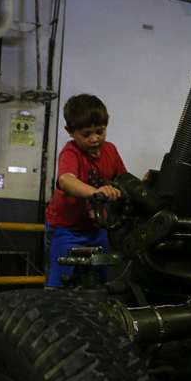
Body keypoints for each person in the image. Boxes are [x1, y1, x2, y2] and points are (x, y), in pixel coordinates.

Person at [45, 94, 126, 288]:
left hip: (97, 230)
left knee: (101, 281)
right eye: (87, 134)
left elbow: (123, 181)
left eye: (100, 131)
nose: (94, 138)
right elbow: (66, 180)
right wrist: (96, 192)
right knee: (61, 283)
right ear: (70, 132)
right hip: (67, 230)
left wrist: (140, 185)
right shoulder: (71, 152)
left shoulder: (111, 151)